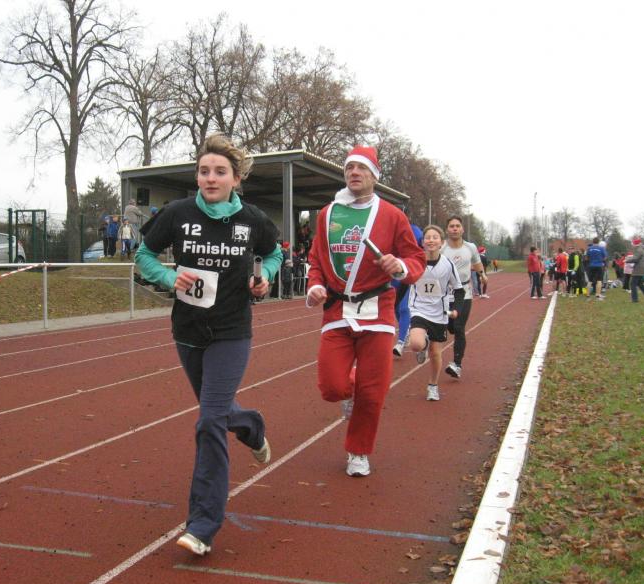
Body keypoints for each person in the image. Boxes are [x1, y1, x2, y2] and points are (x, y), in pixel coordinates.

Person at [135, 133, 282, 557]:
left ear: (236, 179)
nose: (210, 178)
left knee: (209, 421)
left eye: (220, 172)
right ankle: (251, 426)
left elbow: (273, 255)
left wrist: (265, 278)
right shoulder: (178, 214)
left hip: (232, 331)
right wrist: (168, 277)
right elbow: (144, 255)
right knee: (218, 413)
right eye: (204, 171)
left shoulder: (252, 219)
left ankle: (202, 524)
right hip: (188, 331)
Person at [306, 145, 426, 477]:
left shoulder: (392, 215)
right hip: (337, 310)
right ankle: (350, 389)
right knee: (332, 387)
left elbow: (415, 259)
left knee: (373, 394)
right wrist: (314, 285)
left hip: (378, 311)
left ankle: (358, 452)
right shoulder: (328, 214)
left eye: (362, 168)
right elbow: (316, 259)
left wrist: (399, 265)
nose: (354, 173)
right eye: (349, 168)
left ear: (374, 176)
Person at [406, 225, 465, 401]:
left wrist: (457, 309)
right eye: (428, 237)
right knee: (416, 344)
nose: (431, 240)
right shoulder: (415, 262)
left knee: (435, 353)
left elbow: (459, 289)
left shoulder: (448, 265)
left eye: (435, 237)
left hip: (440, 313)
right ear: (423, 242)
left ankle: (433, 385)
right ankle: (422, 345)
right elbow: (404, 282)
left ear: (441, 242)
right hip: (418, 309)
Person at [441, 216, 486, 379]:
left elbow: (477, 262)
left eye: (457, 226)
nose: (455, 228)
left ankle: (457, 365)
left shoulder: (470, 247)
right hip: (445, 293)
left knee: (459, 327)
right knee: (449, 327)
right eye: (451, 226)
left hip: (464, 292)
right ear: (447, 230)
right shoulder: (442, 247)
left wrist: (482, 274)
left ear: (462, 229)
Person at [393, 221, 424, 357]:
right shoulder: (386, 226)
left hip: (408, 273)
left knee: (404, 308)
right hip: (392, 275)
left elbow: (422, 248)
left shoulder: (414, 230)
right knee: (395, 308)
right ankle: (406, 332)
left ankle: (400, 342)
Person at [625, 237, 644, 303]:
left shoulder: (638, 250)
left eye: (633, 244)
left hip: (638, 269)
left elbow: (635, 259)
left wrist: (626, 260)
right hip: (642, 269)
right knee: (640, 284)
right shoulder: (641, 250)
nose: (632, 245)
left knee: (632, 284)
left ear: (635, 244)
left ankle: (635, 300)